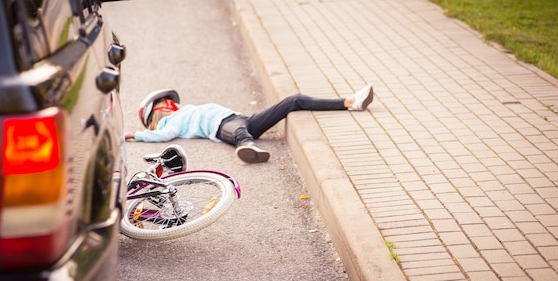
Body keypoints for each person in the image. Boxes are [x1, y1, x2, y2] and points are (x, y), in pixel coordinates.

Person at [124, 85, 374, 163]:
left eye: (170, 102)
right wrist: (137, 135)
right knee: (240, 132)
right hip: (223, 128)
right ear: (155, 115)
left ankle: (350, 101)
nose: (171, 104)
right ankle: (248, 147)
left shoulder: (185, 111)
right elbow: (163, 136)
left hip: (241, 119)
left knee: (294, 100)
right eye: (164, 104)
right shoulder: (172, 123)